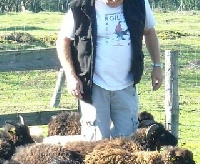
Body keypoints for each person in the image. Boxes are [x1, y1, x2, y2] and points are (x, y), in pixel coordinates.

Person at [56, 0, 163, 141]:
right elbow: (63, 40)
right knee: (95, 142)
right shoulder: (80, 6)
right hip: (93, 85)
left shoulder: (139, 4)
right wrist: (71, 76)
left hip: (126, 84)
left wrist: (157, 65)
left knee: (129, 143)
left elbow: (149, 31)